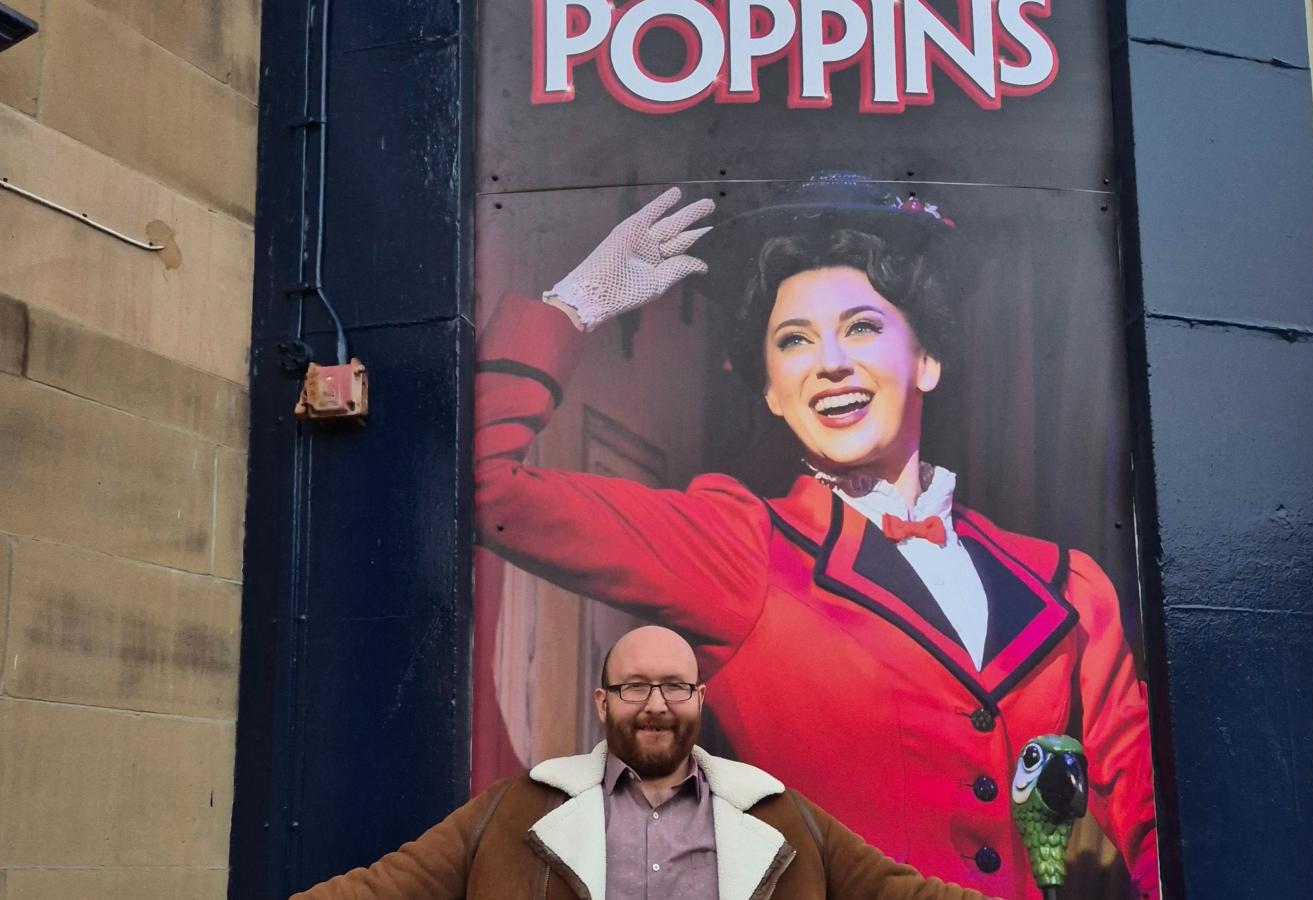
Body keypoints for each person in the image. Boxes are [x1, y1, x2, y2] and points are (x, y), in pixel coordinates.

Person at [475, 174, 1158, 899]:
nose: (831, 362)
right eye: (794, 340)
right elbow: (479, 484)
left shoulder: (1067, 585)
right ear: (772, 389)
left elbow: (1156, 825)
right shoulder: (739, 545)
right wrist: (575, 307)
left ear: (926, 361)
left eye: (862, 327)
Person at [293, 626, 996, 900]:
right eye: (635, 687)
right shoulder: (516, 810)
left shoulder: (781, 816)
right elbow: (381, 892)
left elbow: (907, 897)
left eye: (675, 687)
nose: (655, 705)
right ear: (603, 700)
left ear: (699, 697)